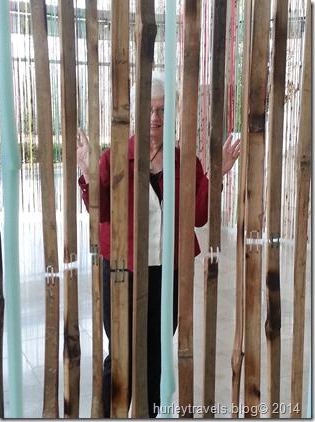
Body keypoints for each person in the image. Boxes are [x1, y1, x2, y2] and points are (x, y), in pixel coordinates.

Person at [77, 71, 240, 418]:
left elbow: (197, 216)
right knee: (120, 350)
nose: (155, 117)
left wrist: (217, 175)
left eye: (163, 110)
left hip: (168, 271)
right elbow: (101, 210)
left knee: (156, 352)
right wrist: (88, 173)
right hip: (121, 268)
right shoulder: (114, 157)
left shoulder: (185, 161)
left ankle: (148, 415)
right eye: (149, 109)